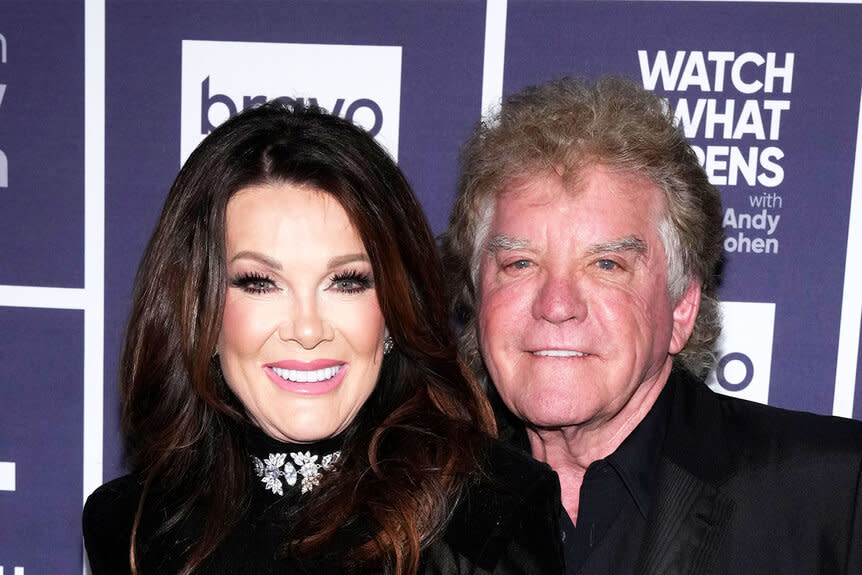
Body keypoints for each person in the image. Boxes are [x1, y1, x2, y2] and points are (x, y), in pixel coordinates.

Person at [83, 102, 564, 575]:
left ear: (396, 309)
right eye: (260, 283)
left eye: (347, 281)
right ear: (198, 312)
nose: (308, 329)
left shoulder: (490, 513)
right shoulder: (130, 526)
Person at [443, 76, 862, 574]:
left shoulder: (836, 496)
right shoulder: (420, 509)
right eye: (520, 264)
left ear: (682, 308)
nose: (556, 305)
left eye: (606, 265)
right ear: (478, 299)